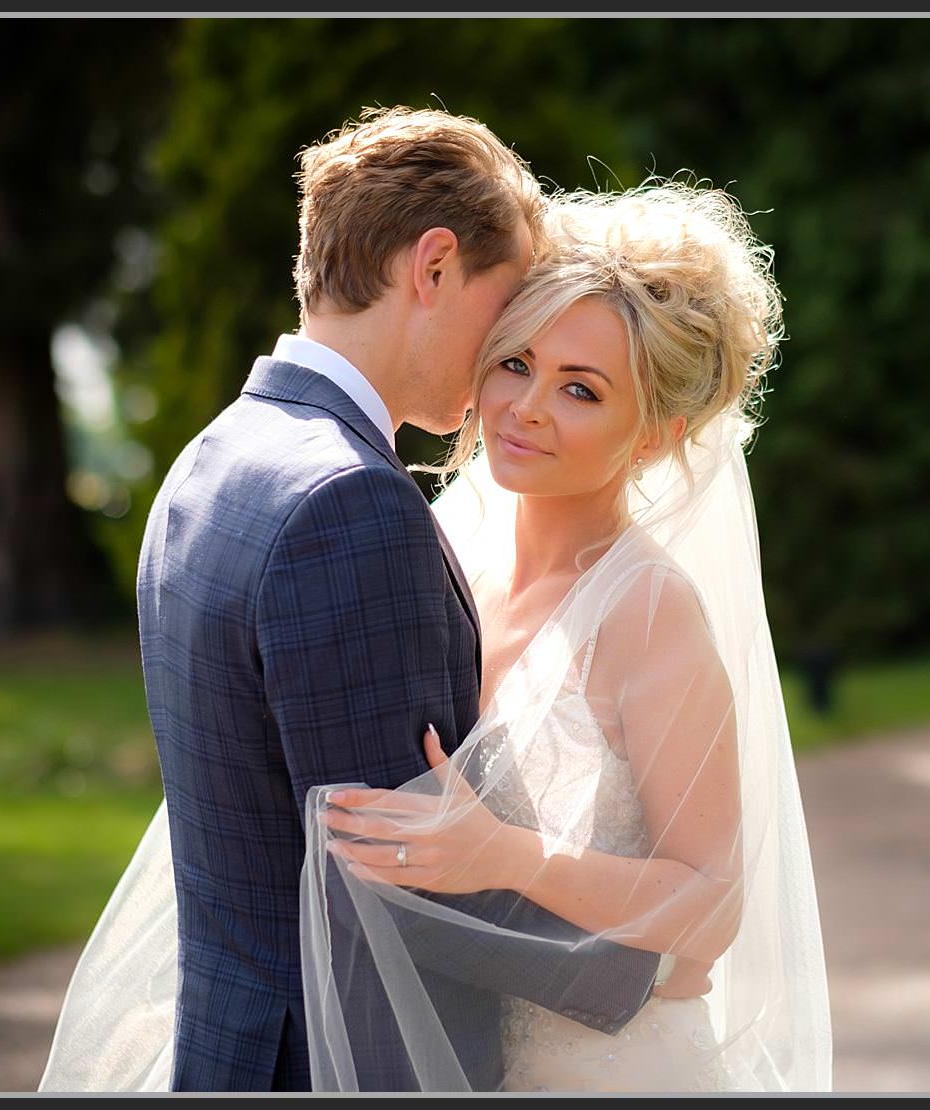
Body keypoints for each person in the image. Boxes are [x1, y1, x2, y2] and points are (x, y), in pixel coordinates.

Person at [39, 107, 663, 1094]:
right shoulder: (350, 504)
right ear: (434, 266)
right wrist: (643, 955)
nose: (509, 347)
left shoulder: (215, 457)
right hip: (344, 1065)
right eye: (504, 308)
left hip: (229, 1046)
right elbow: (398, 886)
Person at [304, 182, 832, 1091]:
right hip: (460, 1054)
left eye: (580, 389)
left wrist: (504, 856)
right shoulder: (449, 555)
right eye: (516, 362)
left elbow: (712, 906)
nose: (527, 407)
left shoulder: (647, 610)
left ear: (656, 437)